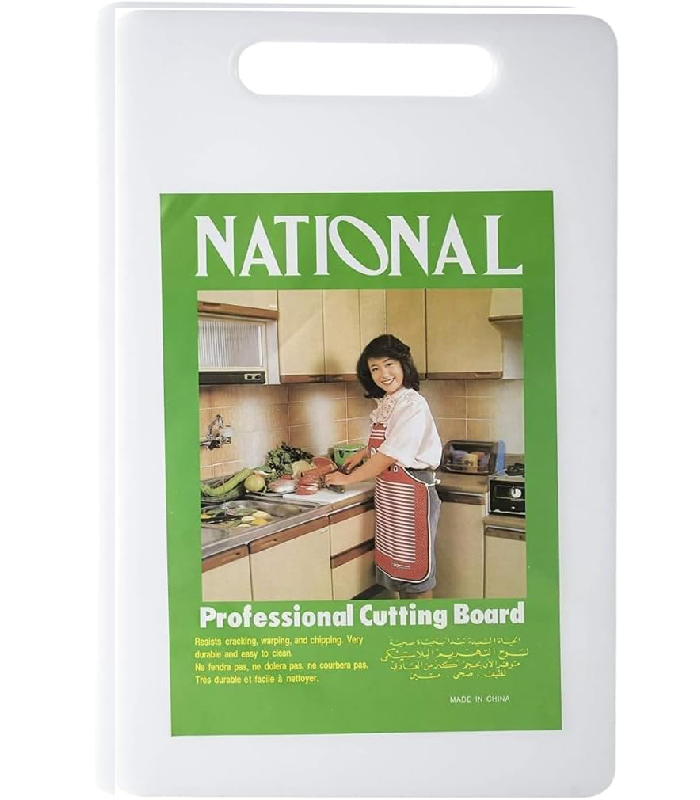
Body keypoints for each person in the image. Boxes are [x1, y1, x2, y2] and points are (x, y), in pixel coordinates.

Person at [325, 334, 442, 599]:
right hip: (393, 495)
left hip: (412, 495)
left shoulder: (412, 404)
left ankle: (424, 625)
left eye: (389, 364)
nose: (383, 374)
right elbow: (387, 441)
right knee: (399, 574)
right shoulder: (390, 402)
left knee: (415, 576)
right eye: (375, 368)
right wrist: (362, 453)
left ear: (403, 365)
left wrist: (347, 479)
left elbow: (389, 455)